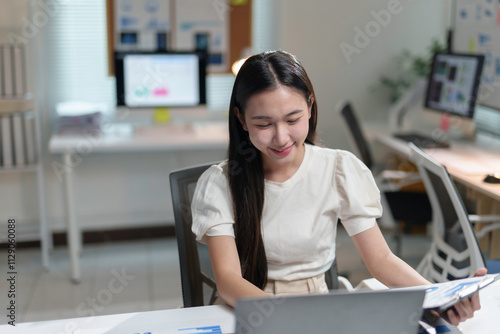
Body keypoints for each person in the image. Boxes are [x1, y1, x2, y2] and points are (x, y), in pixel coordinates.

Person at [190, 50, 485, 326]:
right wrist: (278, 318)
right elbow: (228, 279)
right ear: (241, 119)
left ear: (310, 105)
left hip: (317, 309)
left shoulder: (339, 170)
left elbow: (380, 260)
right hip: (248, 311)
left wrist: (439, 298)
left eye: (292, 119)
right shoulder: (221, 183)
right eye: (264, 124)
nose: (281, 137)